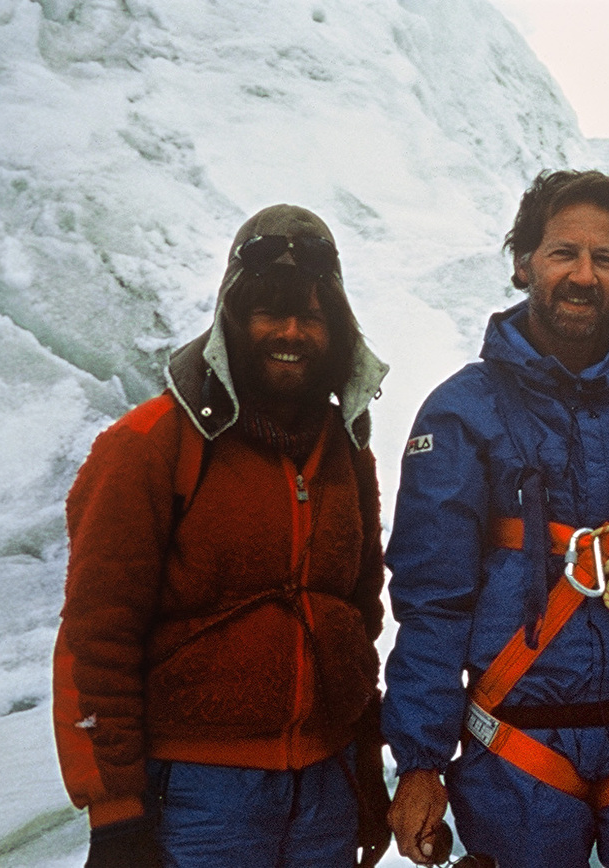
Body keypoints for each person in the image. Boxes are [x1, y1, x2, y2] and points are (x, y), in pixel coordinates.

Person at [383, 169, 609, 868]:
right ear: (524, 263)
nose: (584, 275)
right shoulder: (463, 412)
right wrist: (421, 761)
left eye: (603, 258)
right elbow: (432, 601)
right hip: (520, 749)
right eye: (563, 254)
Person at [53, 205, 391, 867]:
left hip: (325, 790)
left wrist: (363, 773)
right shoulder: (150, 446)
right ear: (232, 320)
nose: (290, 332)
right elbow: (97, 635)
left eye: (312, 316)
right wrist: (116, 814)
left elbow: (357, 618)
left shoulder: (346, 454)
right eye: (269, 312)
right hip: (199, 799)